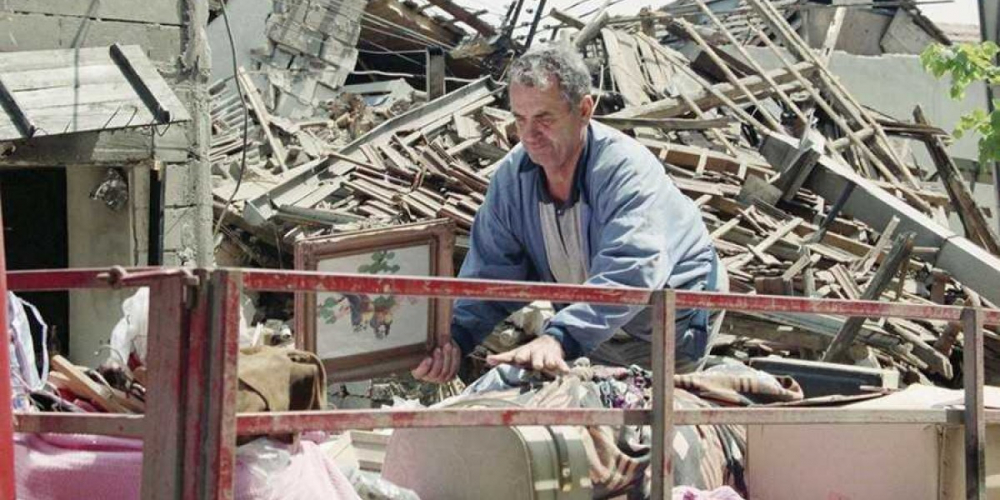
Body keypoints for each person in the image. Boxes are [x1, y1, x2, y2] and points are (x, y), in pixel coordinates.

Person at [412, 42, 727, 383]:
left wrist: (560, 338)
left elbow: (633, 268)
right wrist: (456, 338)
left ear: (585, 110)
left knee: (647, 401)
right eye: (520, 119)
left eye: (544, 119)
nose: (529, 136)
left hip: (670, 324)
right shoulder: (513, 179)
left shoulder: (624, 170)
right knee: (583, 393)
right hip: (595, 323)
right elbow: (491, 271)